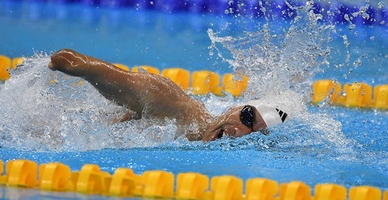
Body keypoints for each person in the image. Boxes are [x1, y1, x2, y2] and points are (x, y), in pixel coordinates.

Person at [48, 48, 288, 142]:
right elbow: (84, 65)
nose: (241, 131)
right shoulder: (172, 106)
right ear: (233, 108)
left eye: (254, 134)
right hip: (50, 131)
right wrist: (77, 66)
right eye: (247, 116)